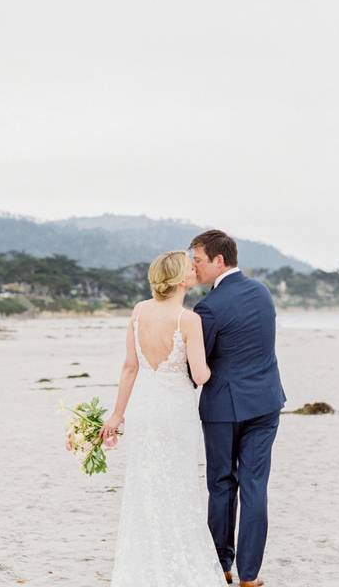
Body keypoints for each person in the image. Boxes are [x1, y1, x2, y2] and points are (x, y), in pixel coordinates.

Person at [101, 250, 228, 587]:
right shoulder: (188, 319)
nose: (194, 269)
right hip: (175, 412)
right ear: (179, 279)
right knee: (180, 484)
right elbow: (200, 375)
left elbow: (130, 367)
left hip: (144, 406)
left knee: (144, 482)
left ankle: (142, 566)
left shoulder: (139, 312)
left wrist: (117, 414)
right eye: (189, 267)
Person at [189, 229, 287, 587]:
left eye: (197, 260)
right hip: (265, 402)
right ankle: (250, 574)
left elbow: (199, 365)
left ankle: (221, 566)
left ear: (218, 260)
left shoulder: (208, 308)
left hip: (224, 407)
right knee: (255, 485)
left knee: (221, 484)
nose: (193, 267)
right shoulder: (262, 292)